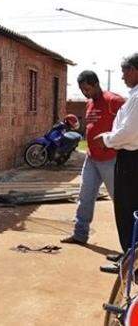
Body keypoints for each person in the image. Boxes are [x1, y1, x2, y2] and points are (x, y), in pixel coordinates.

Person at [61, 71, 124, 247]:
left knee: (121, 201)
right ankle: (80, 235)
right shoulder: (89, 103)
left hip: (111, 159)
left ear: (96, 84)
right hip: (91, 158)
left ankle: (129, 246)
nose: (85, 93)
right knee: (85, 196)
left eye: (87, 89)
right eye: (82, 90)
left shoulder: (114, 101)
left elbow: (130, 126)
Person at [94, 53, 138, 273]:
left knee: (127, 208)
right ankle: (129, 256)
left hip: (132, 159)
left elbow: (129, 132)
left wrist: (107, 139)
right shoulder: (134, 96)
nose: (122, 76)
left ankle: (131, 264)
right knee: (129, 208)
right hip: (129, 157)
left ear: (135, 70)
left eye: (125, 71)